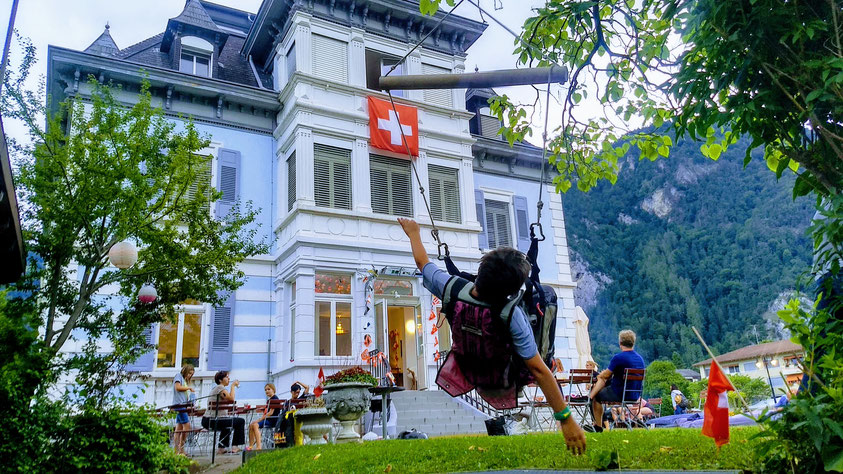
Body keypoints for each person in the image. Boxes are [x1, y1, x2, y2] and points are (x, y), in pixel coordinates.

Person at [397, 217, 587, 455]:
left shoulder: (452, 288)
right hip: (502, 381)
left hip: (465, 370)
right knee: (543, 357)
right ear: (512, 291)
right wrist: (566, 419)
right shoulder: (512, 315)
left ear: (480, 272)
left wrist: (413, 233)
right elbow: (539, 370)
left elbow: (422, 262)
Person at [588, 329, 646, 432]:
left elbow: (605, 375)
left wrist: (601, 374)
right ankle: (591, 404)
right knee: (604, 386)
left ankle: (597, 425)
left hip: (619, 393)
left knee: (596, 396)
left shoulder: (618, 358)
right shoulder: (640, 359)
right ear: (633, 342)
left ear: (620, 343)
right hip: (635, 395)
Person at [201, 371, 246, 454]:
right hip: (212, 420)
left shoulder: (218, 388)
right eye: (227, 377)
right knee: (240, 421)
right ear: (220, 380)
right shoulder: (220, 388)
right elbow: (231, 399)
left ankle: (221, 448)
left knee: (228, 423)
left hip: (209, 420)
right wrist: (233, 386)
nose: (229, 379)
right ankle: (235, 446)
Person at [248, 383, 280, 451]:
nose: (267, 391)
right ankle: (250, 446)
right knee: (251, 425)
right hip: (269, 419)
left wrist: (258, 420)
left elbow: (270, 413)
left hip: (272, 420)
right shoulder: (270, 399)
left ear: (273, 389)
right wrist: (264, 409)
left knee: (255, 425)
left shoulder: (274, 399)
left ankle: (259, 446)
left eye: (269, 389)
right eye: (265, 390)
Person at [172, 364, 195, 455]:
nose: (190, 375)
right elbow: (177, 387)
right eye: (189, 373)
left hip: (183, 405)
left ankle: (176, 449)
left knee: (179, 427)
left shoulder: (184, 380)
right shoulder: (178, 376)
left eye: (191, 374)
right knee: (187, 426)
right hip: (179, 405)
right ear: (185, 371)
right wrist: (188, 388)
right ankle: (181, 448)